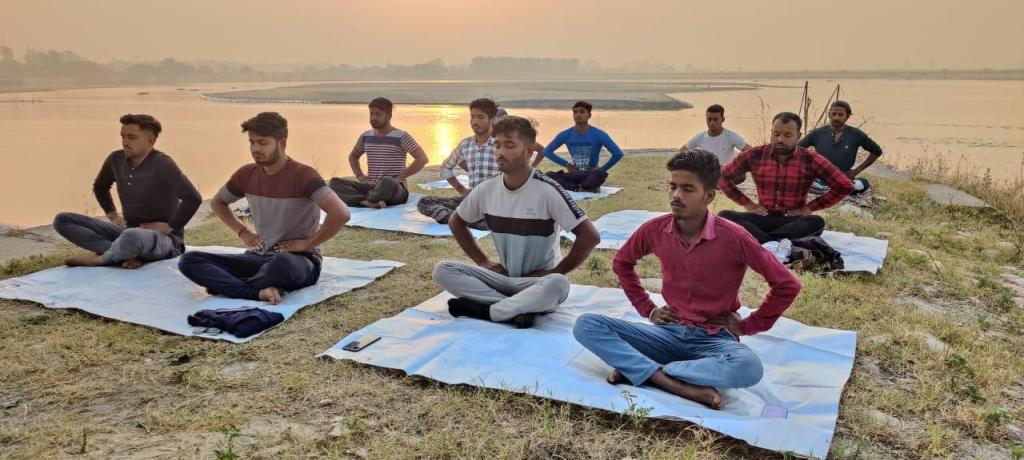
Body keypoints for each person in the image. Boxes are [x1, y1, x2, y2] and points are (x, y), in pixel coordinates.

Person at [573, 149, 800, 409]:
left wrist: (747, 326)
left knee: (749, 367)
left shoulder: (734, 237)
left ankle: (644, 370)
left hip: (714, 340)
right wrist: (647, 310)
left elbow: (787, 285)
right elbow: (622, 263)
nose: (676, 196)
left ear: (709, 196)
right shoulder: (655, 230)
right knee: (586, 325)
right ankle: (673, 383)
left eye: (688, 189)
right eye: (673, 187)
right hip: (667, 333)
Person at [432, 116, 601, 328]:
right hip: (503, 279)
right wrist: (483, 262)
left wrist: (554, 271)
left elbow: (590, 236)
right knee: (443, 270)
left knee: (558, 284)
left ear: (529, 151)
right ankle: (516, 309)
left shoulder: (547, 190)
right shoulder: (486, 190)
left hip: (536, 283)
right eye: (497, 145)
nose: (500, 152)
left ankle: (489, 310)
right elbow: (456, 222)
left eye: (509, 145)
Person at [178, 112, 350, 304]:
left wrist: (308, 244)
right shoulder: (246, 174)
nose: (255, 148)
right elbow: (217, 202)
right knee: (190, 260)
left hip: (299, 262)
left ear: (282, 143)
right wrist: (243, 232)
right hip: (258, 257)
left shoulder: (303, 175)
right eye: (252, 142)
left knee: (281, 263)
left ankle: (230, 286)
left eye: (262, 142)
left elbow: (341, 213)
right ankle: (257, 291)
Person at [53, 114, 201, 269]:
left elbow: (193, 197)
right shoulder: (115, 159)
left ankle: (103, 259)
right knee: (62, 220)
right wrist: (112, 214)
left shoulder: (162, 163)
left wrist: (170, 226)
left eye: (131, 137)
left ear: (150, 141)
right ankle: (125, 253)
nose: (125, 142)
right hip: (127, 231)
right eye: (123, 136)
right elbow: (100, 187)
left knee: (133, 236)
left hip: (166, 240)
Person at [718, 112, 854, 244]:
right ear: (771, 132)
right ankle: (775, 243)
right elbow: (722, 176)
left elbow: (844, 185)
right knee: (724, 216)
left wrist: (809, 208)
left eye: (787, 135)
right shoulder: (755, 155)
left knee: (816, 222)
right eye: (776, 134)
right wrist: (747, 204)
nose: (780, 139)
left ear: (798, 136)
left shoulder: (810, 158)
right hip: (762, 217)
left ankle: (761, 242)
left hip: (792, 220)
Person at [417, 98, 501, 229]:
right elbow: (446, 167)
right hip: (473, 202)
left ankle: (466, 220)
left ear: (492, 119)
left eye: (480, 117)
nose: (475, 121)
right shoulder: (466, 144)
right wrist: (461, 189)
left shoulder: (500, 144)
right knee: (425, 202)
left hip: (497, 204)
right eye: (472, 117)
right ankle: (468, 222)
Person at [329, 98, 428, 208]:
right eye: (371, 114)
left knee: (387, 181)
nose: (373, 118)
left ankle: (362, 199)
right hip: (372, 186)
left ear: (389, 116)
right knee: (334, 183)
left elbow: (422, 159)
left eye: (378, 114)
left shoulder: (401, 136)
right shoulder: (366, 136)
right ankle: (368, 202)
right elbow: (353, 156)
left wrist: (400, 178)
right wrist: (359, 175)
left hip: (395, 189)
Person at [798, 100, 882, 194]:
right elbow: (797, 149)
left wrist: (856, 171)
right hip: (819, 178)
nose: (836, 117)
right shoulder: (817, 133)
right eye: (833, 114)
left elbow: (877, 151)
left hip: (843, 177)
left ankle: (828, 190)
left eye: (840, 115)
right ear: (829, 114)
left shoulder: (856, 134)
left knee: (864, 183)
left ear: (847, 116)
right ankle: (828, 189)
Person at [542, 101, 624, 192]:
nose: (578, 115)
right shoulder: (565, 134)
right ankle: (578, 187)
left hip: (592, 174)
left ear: (589, 115)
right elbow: (547, 152)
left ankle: (577, 186)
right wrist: (567, 165)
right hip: (576, 173)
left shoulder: (598, 134)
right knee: (548, 176)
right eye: (575, 112)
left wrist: (601, 169)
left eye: (582, 112)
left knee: (597, 177)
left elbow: (618, 153)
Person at [681, 104, 752, 165]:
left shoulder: (731, 136)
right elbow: (682, 152)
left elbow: (751, 152)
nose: (712, 123)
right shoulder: (700, 137)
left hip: (725, 175)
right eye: (709, 119)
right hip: (707, 176)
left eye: (715, 119)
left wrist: (738, 164)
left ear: (723, 119)